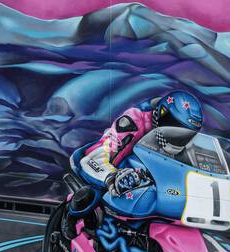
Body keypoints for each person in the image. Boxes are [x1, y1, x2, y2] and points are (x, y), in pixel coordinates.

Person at [71, 91, 204, 213]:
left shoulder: (190, 145)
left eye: (185, 134)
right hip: (107, 167)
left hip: (145, 179)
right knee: (94, 194)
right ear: (162, 113)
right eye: (175, 128)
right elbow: (96, 156)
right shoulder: (134, 120)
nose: (179, 136)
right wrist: (112, 177)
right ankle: (70, 220)